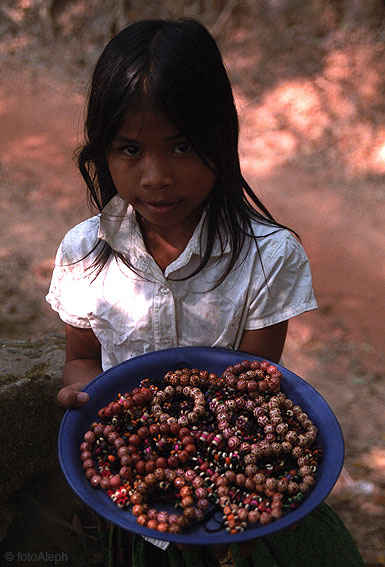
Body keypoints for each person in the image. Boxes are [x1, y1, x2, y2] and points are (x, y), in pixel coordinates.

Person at [47, 18, 365, 567]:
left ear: (221, 139)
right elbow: (81, 359)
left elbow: (252, 389)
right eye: (129, 149)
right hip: (138, 496)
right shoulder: (82, 251)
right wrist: (81, 395)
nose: (156, 176)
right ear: (102, 151)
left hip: (235, 489)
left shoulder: (270, 256)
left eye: (182, 145)